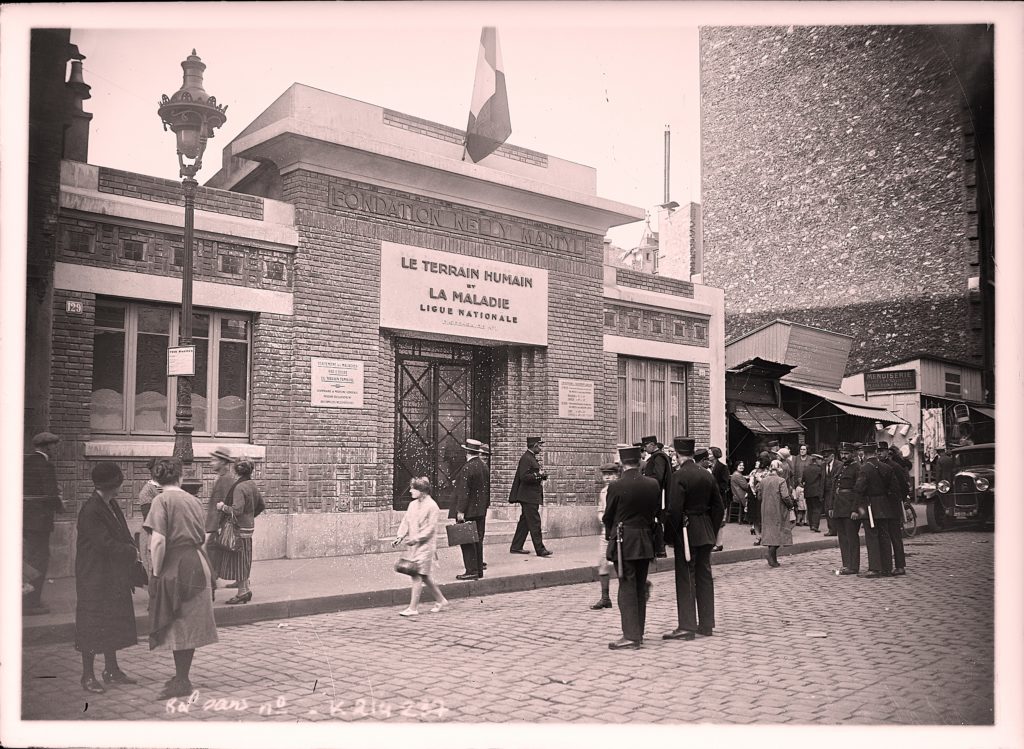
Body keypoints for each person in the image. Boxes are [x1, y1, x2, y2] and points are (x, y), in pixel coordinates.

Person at [146, 457, 218, 700]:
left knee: (178, 621)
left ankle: (182, 680)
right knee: (188, 620)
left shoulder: (160, 500)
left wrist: (156, 573)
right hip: (197, 562)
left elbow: (158, 541)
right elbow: (203, 537)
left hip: (175, 564)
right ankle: (182, 676)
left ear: (157, 479)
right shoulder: (193, 500)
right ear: (180, 476)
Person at [75, 462, 140, 693]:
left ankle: (111, 670)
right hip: (94, 577)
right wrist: (131, 552)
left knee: (111, 621)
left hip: (111, 575)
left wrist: (132, 547)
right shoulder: (92, 509)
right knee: (92, 624)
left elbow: (122, 532)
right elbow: (104, 544)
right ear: (113, 484)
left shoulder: (110, 504)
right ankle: (87, 676)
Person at [662, 437, 724, 640]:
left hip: (686, 532)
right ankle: (706, 624)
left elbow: (674, 510)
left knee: (686, 578)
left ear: (678, 455)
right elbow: (719, 507)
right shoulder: (706, 474)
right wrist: (711, 529)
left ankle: (687, 626)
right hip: (705, 530)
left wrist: (669, 537)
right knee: (704, 577)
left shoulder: (679, 476)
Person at [602, 447, 660, 649]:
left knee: (626, 588)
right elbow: (654, 511)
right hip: (645, 540)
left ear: (622, 463)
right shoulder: (652, 484)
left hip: (624, 541)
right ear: (639, 461)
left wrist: (610, 535)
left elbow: (608, 516)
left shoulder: (616, 486)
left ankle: (631, 636)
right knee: (639, 586)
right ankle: (638, 632)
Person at [209, 459, 263, 604]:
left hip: (238, 529)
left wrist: (222, 507)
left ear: (235, 471)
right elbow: (261, 505)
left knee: (238, 561)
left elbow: (237, 510)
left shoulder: (239, 487)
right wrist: (249, 517)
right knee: (244, 559)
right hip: (248, 528)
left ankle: (242, 592)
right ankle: (245, 589)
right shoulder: (252, 484)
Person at [23, 431, 65, 614]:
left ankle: (26, 598)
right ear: (47, 446)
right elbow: (50, 494)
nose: (56, 449)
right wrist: (60, 505)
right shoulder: (46, 465)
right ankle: (31, 603)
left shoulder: (27, 462)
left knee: (29, 558)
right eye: (54, 446)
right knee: (39, 560)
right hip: (39, 521)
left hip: (26, 520)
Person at [394, 477, 449, 616]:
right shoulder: (412, 505)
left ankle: (413, 608)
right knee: (424, 575)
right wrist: (400, 536)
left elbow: (431, 528)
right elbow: (406, 521)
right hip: (415, 545)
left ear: (422, 491)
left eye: (414, 489)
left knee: (416, 574)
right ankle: (441, 600)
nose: (410, 491)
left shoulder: (432, 506)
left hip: (426, 545)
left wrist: (416, 539)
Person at [854, 442, 897, 578]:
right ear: (875, 452)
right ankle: (887, 568)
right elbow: (893, 488)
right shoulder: (886, 467)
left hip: (870, 506)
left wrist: (856, 508)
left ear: (865, 454)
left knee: (872, 537)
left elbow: (859, 489)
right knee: (885, 536)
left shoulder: (864, 469)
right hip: (884, 506)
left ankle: (875, 568)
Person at [451, 438, 490, 580]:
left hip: (468, 511)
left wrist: (460, 511)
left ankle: (471, 570)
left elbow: (464, 492)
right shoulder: (483, 466)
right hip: (480, 510)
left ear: (467, 452)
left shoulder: (467, 468)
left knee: (467, 541)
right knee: (478, 540)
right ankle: (478, 570)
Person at [508, 437, 552, 557]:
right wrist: (539, 475)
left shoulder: (530, 457)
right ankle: (540, 550)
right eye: (540, 446)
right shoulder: (526, 458)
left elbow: (530, 474)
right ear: (535, 445)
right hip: (529, 496)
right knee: (535, 522)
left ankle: (516, 547)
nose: (541, 448)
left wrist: (541, 475)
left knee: (525, 522)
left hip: (529, 496)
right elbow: (524, 477)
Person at [204, 446, 237, 596]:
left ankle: (211, 584)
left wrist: (219, 526)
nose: (211, 463)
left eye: (214, 460)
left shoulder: (226, 480)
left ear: (223, 462)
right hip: (215, 524)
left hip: (218, 525)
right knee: (218, 553)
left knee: (211, 552)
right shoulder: (222, 478)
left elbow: (226, 503)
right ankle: (240, 579)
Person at [591, 462, 621, 610]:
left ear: (617, 475)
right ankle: (605, 598)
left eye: (611, 474)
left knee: (621, 563)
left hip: (619, 531)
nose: (608, 478)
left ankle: (630, 591)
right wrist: (602, 518)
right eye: (605, 475)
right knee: (602, 562)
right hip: (606, 531)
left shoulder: (622, 490)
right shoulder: (603, 492)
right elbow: (600, 510)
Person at [757, 460, 795, 567]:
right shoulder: (781, 481)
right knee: (780, 533)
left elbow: (759, 496)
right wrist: (791, 506)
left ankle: (773, 560)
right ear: (779, 470)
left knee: (771, 534)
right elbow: (785, 496)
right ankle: (770, 555)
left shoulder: (763, 481)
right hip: (778, 509)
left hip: (765, 509)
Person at [833, 443, 863, 575]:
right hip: (839, 507)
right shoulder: (840, 467)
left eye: (846, 453)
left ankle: (853, 566)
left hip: (850, 507)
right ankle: (846, 564)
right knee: (842, 538)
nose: (843, 456)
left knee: (851, 537)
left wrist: (855, 509)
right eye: (842, 453)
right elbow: (835, 488)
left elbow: (859, 491)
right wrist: (831, 507)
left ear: (852, 454)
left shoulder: (857, 468)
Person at [639, 435, 672, 557]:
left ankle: (659, 549)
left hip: (657, 495)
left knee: (656, 521)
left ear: (653, 445)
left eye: (646, 446)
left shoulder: (659, 457)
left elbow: (658, 477)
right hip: (656, 493)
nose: (645, 449)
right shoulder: (657, 456)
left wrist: (644, 479)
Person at [883, 445, 910, 576]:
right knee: (884, 537)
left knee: (895, 536)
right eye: (877, 451)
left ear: (887, 453)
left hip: (893, 506)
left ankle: (900, 565)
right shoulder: (876, 466)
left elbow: (904, 486)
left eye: (882, 451)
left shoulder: (895, 467)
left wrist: (900, 500)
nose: (879, 454)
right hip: (882, 506)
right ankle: (886, 565)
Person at [138, 458, 162, 580]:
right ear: (152, 471)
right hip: (151, 532)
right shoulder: (146, 491)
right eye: (157, 469)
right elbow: (148, 518)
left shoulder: (165, 487)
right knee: (153, 567)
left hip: (162, 531)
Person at [747, 457, 770, 545]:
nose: (756, 462)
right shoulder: (753, 472)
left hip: (763, 497)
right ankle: (758, 537)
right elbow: (750, 483)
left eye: (759, 461)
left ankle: (764, 536)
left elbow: (768, 485)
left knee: (763, 517)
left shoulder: (767, 473)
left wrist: (760, 479)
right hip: (753, 497)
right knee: (755, 518)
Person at [802, 453, 825, 532]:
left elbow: (803, 480)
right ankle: (815, 525)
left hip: (808, 492)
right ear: (817, 460)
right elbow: (822, 481)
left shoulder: (806, 468)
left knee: (810, 508)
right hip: (816, 492)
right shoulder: (819, 469)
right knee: (817, 508)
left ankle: (811, 525)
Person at [821, 448, 839, 536]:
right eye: (824, 457)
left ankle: (837, 529)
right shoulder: (823, 465)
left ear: (832, 456)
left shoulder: (839, 465)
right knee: (827, 510)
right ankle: (831, 529)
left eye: (826, 457)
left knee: (836, 510)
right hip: (827, 492)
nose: (825, 459)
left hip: (836, 492)